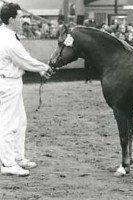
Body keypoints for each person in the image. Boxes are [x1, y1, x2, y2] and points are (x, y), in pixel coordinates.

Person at [0, 3, 51, 176]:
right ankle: (7, 164)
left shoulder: (7, 34)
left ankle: (17, 157)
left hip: (11, 81)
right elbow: (24, 60)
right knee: (8, 124)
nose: (24, 20)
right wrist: (44, 68)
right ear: (12, 19)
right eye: (21, 17)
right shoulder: (8, 40)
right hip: (8, 83)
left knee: (20, 122)